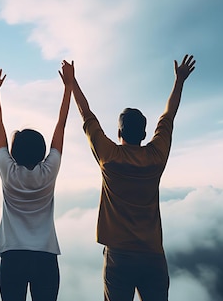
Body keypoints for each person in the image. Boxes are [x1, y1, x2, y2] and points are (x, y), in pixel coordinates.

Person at [63, 55, 196, 301]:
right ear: (145, 134)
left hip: (119, 256)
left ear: (118, 132)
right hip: (153, 255)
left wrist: (72, 82)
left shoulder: (109, 157)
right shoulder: (156, 157)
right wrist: (179, 82)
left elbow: (87, 115)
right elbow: (168, 117)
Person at [0, 64, 73, 301]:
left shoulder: (8, 170)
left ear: (14, 152)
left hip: (12, 256)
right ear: (42, 152)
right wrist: (68, 87)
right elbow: (62, 125)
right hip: (45, 257)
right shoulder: (49, 171)